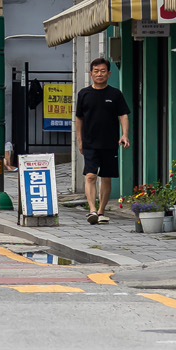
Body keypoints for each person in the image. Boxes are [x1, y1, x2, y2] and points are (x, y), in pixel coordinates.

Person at [73, 56, 130, 224]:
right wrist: (79, 140)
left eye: (103, 71)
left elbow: (123, 115)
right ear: (91, 74)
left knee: (106, 177)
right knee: (90, 175)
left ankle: (101, 211)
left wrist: (124, 134)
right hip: (90, 142)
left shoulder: (115, 94)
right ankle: (92, 210)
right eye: (96, 71)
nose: (99, 74)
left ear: (109, 74)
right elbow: (79, 118)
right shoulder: (84, 94)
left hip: (110, 143)